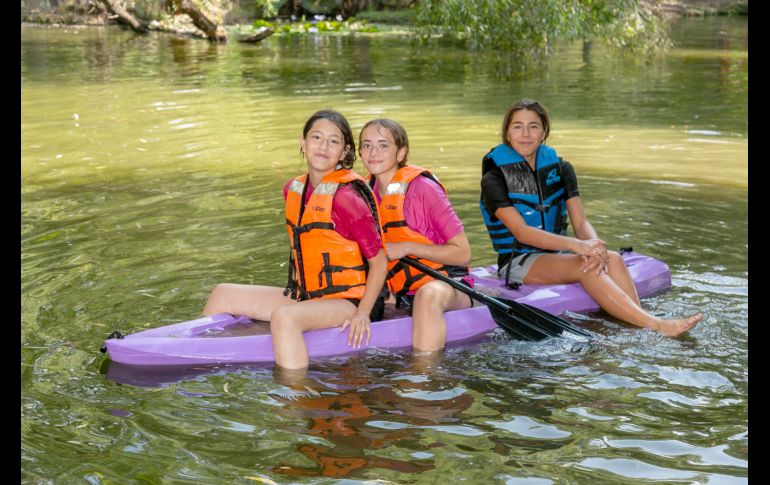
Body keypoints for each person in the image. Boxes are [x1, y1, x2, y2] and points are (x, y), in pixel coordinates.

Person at [480, 98, 703, 337]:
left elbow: (580, 222)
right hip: (518, 260)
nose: (525, 133)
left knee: (613, 260)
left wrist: (595, 248)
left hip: (558, 254)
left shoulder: (561, 169)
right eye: (517, 126)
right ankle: (656, 326)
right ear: (507, 132)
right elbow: (522, 232)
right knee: (584, 268)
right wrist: (578, 246)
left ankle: (637, 325)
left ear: (544, 132)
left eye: (533, 126)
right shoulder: (494, 178)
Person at [203, 109, 389, 370]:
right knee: (222, 294)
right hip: (308, 296)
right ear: (302, 143)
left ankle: (296, 396)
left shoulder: (347, 198)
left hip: (350, 301)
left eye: (333, 141)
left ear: (345, 152)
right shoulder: (293, 189)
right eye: (316, 138)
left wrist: (362, 314)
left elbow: (379, 262)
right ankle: (201, 358)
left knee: (285, 318)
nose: (323, 147)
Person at [359, 118, 473, 352]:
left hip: (448, 285)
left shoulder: (423, 189)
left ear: (401, 153)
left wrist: (407, 247)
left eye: (383, 145)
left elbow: (463, 254)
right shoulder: (362, 193)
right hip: (398, 293)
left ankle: (423, 378)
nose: (373, 152)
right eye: (367, 145)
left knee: (427, 295)